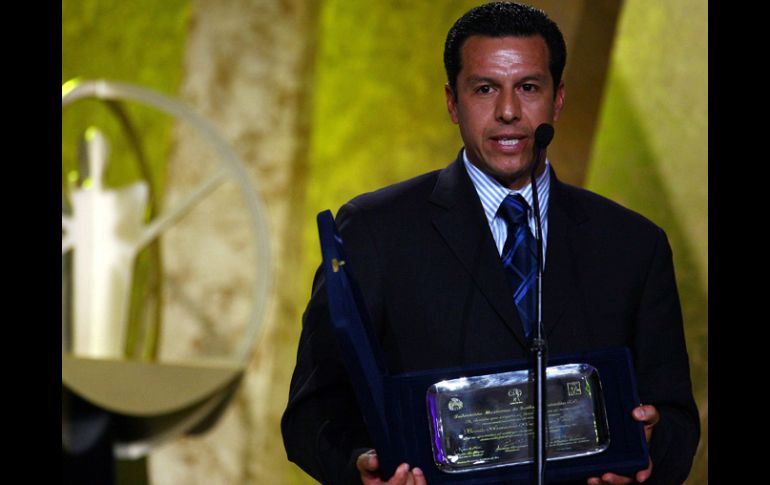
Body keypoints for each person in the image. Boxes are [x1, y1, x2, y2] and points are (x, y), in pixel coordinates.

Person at [281, 2, 699, 485]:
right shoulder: (374, 231)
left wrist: (648, 452)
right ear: (452, 102)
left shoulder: (633, 244)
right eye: (485, 89)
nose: (508, 111)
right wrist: (361, 465)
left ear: (557, 99)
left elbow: (676, 422)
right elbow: (313, 412)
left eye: (528, 87)